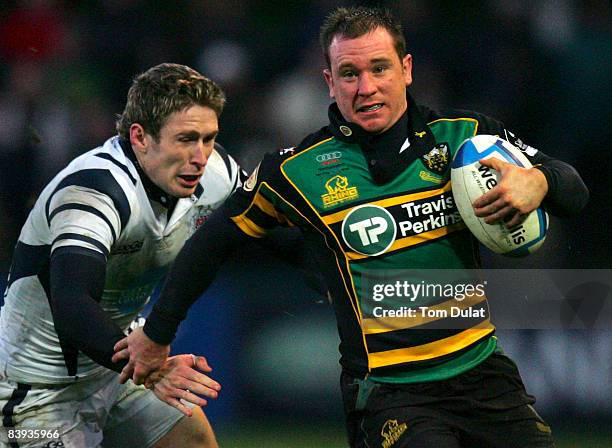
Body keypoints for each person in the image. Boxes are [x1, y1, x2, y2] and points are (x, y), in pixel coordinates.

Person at [115, 7, 589, 448]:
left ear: (406, 68)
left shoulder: (466, 136)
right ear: (329, 82)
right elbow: (212, 243)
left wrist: (538, 180)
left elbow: (574, 191)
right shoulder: (296, 170)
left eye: (379, 69)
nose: (366, 88)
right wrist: (157, 335)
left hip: (484, 374)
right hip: (389, 394)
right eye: (349, 74)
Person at [0, 63, 244, 447]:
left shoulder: (215, 172)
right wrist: (153, 369)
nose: (200, 156)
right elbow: (72, 304)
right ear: (140, 136)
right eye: (185, 139)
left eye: (209, 138)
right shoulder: (94, 189)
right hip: (35, 392)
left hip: (117, 370)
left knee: (194, 440)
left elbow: (267, 233)